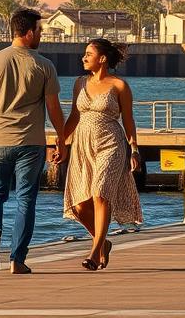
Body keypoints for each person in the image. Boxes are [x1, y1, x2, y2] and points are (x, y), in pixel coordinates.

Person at [0, 8, 66, 275]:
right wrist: (62, 139)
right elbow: (53, 108)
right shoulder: (44, 65)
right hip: (30, 143)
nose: (41, 36)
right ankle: (17, 260)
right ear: (30, 32)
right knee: (26, 200)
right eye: (41, 31)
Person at [59, 38, 143, 271]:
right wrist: (60, 143)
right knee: (79, 206)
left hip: (111, 143)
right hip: (82, 145)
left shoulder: (119, 86)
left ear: (102, 58)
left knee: (100, 193)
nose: (83, 58)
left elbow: (128, 120)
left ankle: (95, 253)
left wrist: (134, 149)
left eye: (89, 54)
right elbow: (74, 118)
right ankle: (103, 242)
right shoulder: (79, 84)